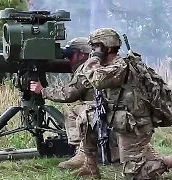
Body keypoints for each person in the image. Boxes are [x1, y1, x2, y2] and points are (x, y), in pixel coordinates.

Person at [68, 28, 172, 179]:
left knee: (134, 175)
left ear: (108, 48)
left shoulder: (120, 66)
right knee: (86, 118)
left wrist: (93, 60)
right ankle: (90, 167)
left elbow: (98, 80)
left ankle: (167, 162)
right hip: (116, 117)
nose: (93, 51)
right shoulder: (106, 66)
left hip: (133, 124)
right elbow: (81, 85)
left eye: (96, 47)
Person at [30, 37, 120, 171]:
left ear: (82, 54)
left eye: (71, 55)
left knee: (72, 109)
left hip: (104, 109)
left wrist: (42, 91)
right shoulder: (113, 62)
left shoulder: (88, 67)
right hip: (120, 109)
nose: (69, 60)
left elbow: (69, 94)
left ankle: (82, 153)